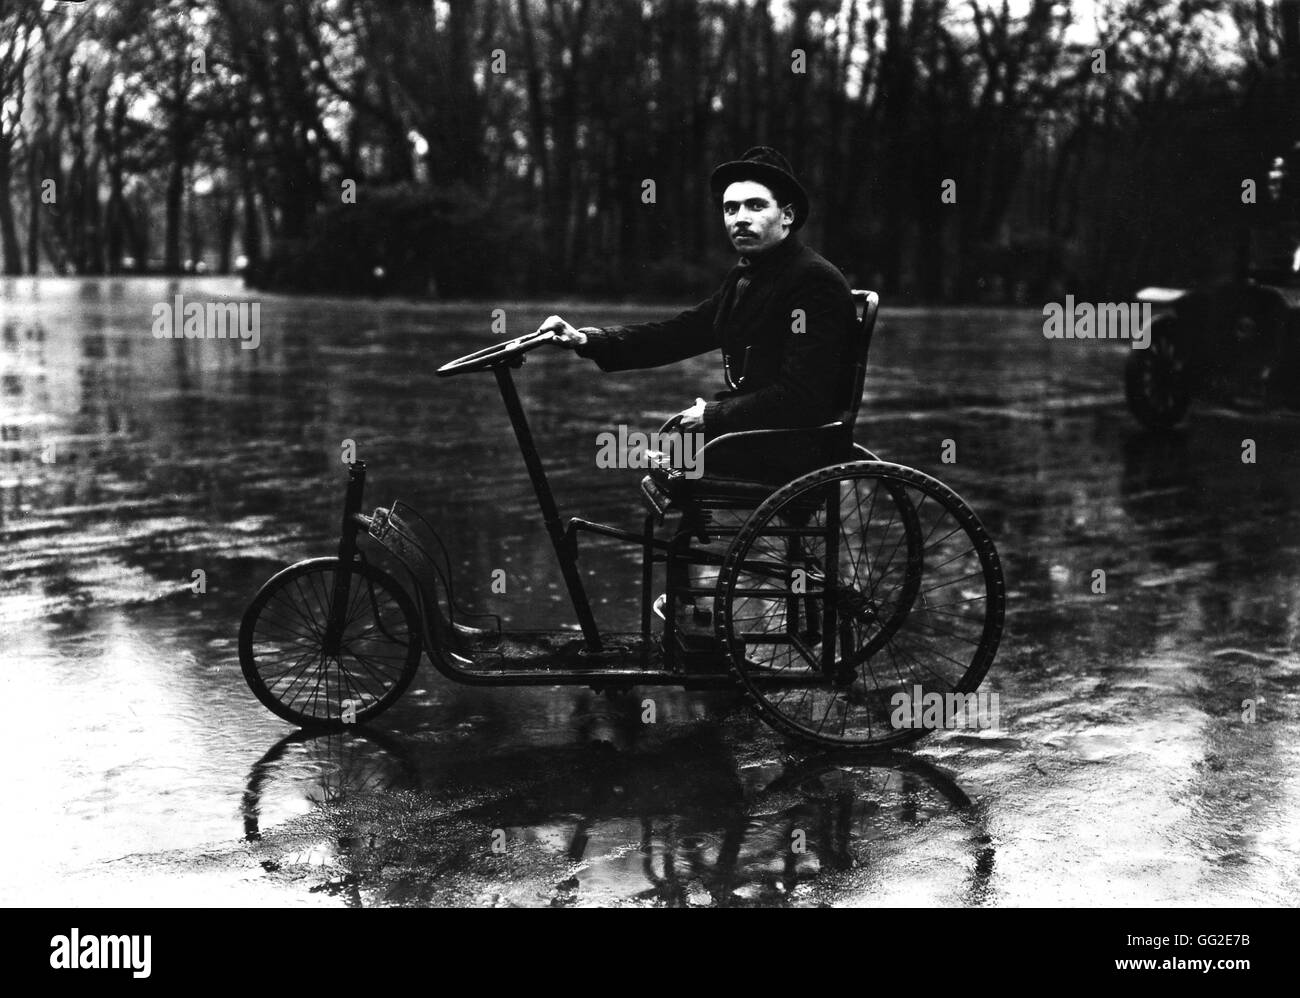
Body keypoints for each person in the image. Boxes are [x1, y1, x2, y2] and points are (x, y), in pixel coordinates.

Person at [537, 146, 857, 481]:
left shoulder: (812, 280)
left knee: (627, 452)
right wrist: (585, 339)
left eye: (756, 205)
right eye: (730, 208)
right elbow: (678, 334)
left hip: (794, 449)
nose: (740, 218)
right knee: (632, 454)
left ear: (787, 215)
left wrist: (712, 416)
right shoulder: (749, 276)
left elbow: (803, 396)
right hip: (755, 436)